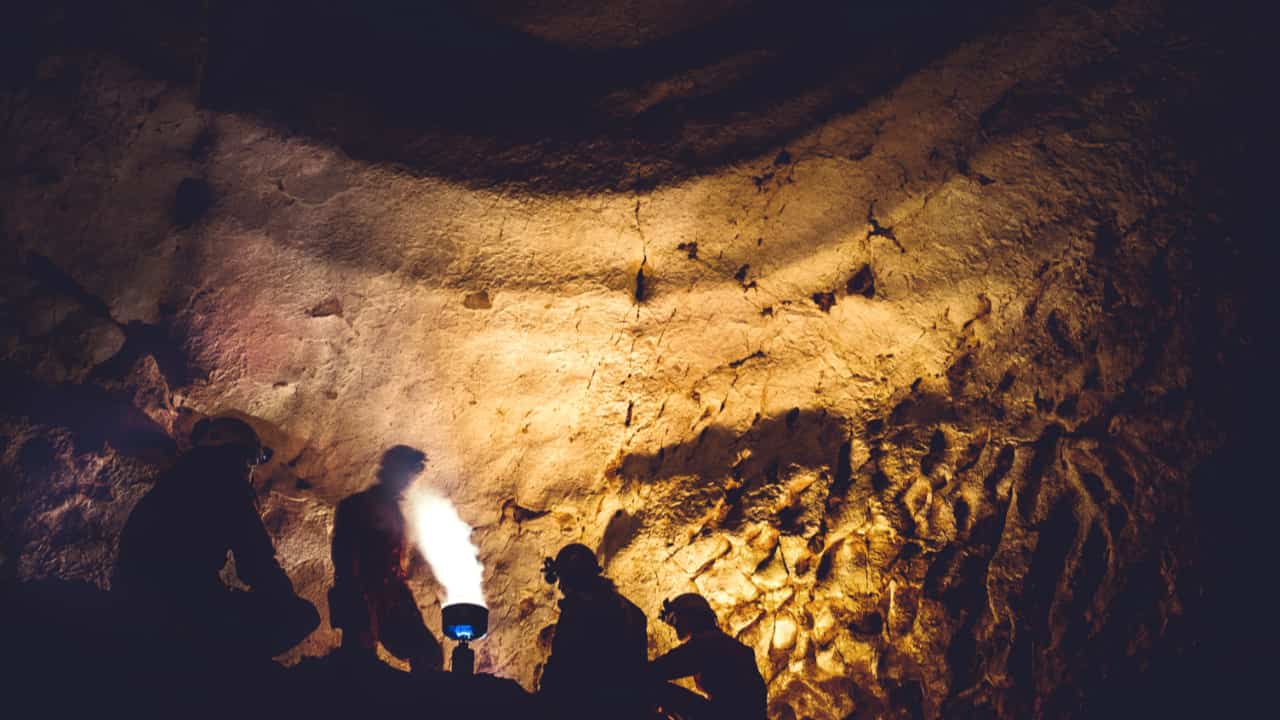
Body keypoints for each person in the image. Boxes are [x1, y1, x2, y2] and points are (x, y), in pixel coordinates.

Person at [114, 415, 320, 660]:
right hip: (181, 614)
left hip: (135, 605)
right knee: (302, 615)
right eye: (249, 463)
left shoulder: (173, 481)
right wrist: (284, 601)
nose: (250, 472)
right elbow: (257, 563)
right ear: (240, 458)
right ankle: (223, 671)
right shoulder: (227, 485)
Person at [329, 445, 443, 674]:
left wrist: (407, 607)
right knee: (359, 666)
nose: (408, 482)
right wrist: (360, 607)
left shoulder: (391, 510)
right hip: (360, 597)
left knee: (427, 653)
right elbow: (345, 560)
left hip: (390, 598)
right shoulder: (358, 506)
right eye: (406, 474)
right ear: (391, 471)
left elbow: (393, 569)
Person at [539, 543, 650, 719]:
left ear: (571, 579)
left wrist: (543, 702)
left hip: (592, 707)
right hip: (631, 707)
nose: (561, 588)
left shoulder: (578, 611)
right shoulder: (630, 610)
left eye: (563, 580)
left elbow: (562, 663)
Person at [649, 593, 768, 720]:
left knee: (656, 689)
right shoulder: (726, 644)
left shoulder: (710, 643)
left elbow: (661, 668)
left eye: (678, 622)